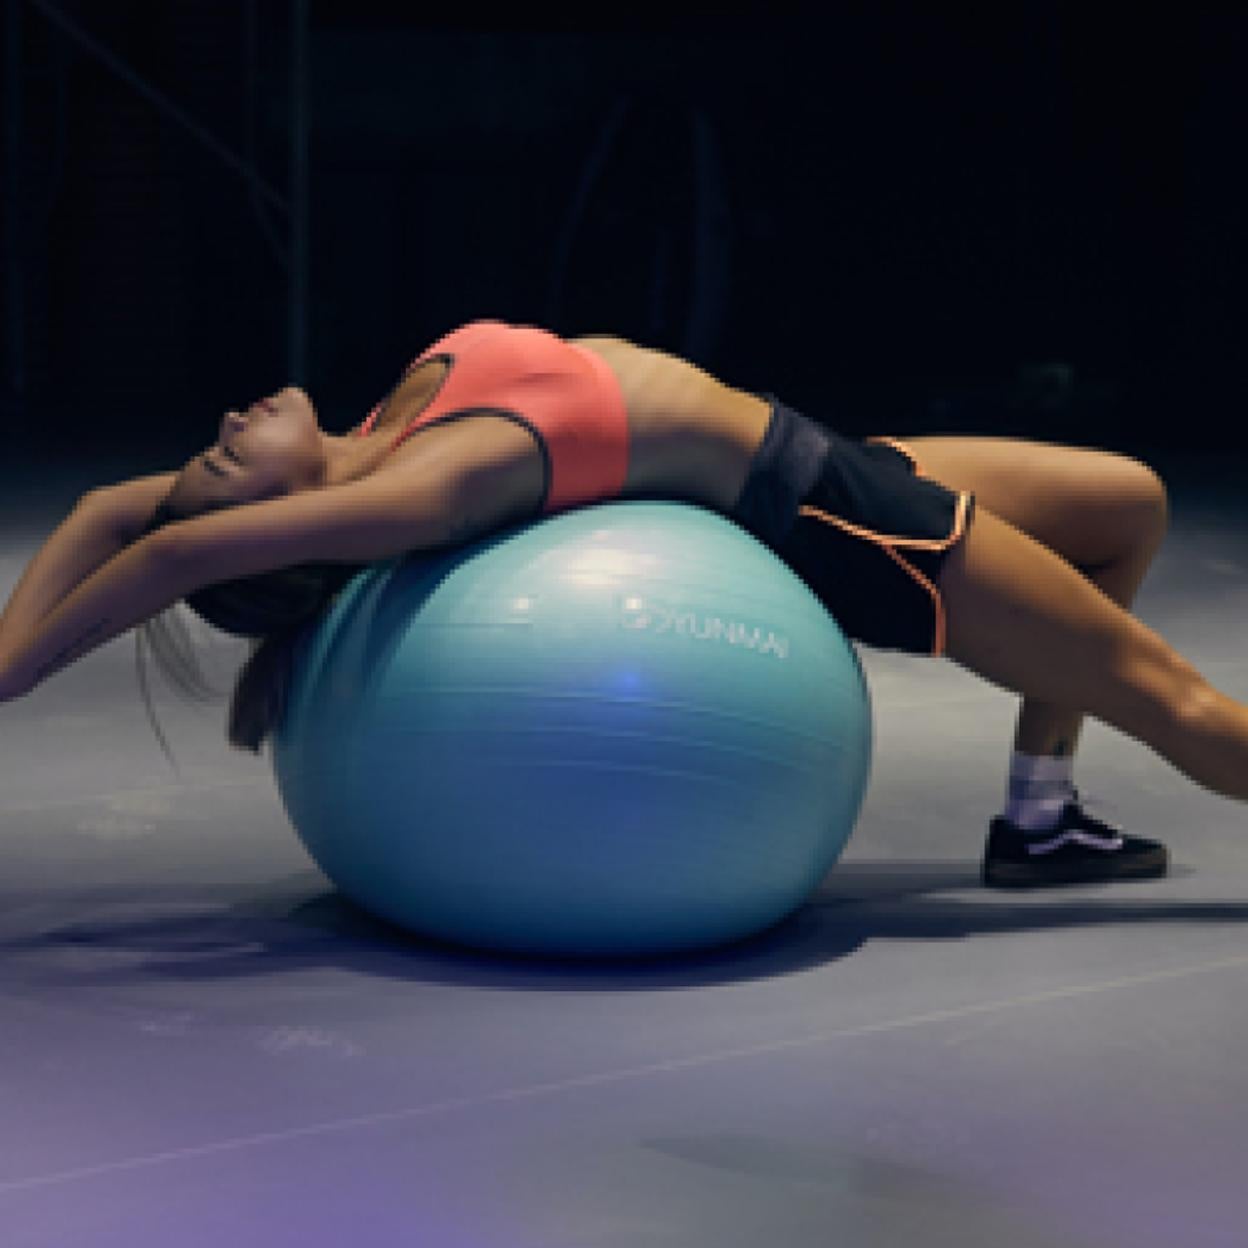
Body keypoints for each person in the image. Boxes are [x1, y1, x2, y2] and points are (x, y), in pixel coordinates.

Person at [0, 319, 1232, 892]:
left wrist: (5, 661)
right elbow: (160, 559)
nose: (220, 430)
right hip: (832, 520)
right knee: (1174, 703)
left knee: (1124, 505)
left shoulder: (373, 440)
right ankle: (1054, 815)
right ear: (263, 525)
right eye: (223, 467)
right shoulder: (426, 486)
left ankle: (1039, 821)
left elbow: (117, 508)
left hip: (827, 453)